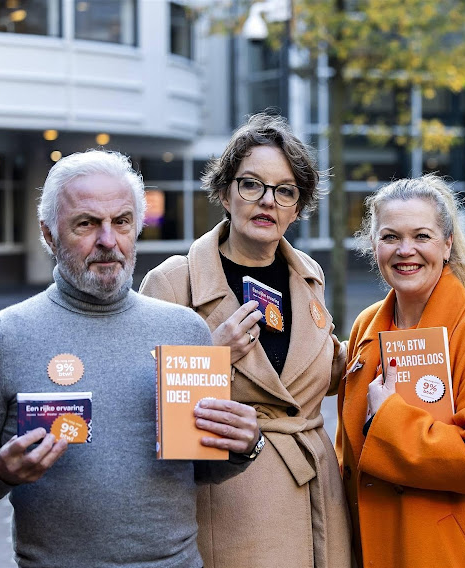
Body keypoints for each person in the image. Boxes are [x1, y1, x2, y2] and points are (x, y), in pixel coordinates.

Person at [0, 150, 261, 567]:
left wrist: (243, 446)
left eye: (122, 221)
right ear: (48, 233)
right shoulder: (2, 337)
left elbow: (201, 468)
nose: (108, 241)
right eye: (87, 223)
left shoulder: (185, 331)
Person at [140, 113, 351, 568]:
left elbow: (318, 378)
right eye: (251, 184)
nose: (267, 201)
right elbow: (144, 409)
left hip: (317, 495)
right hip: (233, 505)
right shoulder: (173, 283)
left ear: (298, 207)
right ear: (225, 193)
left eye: (285, 190)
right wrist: (214, 354)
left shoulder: (307, 276)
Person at [336, 175, 465, 568]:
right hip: (381, 545)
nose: (405, 250)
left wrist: (389, 418)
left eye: (422, 236)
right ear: (374, 245)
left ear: (447, 244)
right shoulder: (365, 327)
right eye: (390, 236)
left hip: (462, 549)